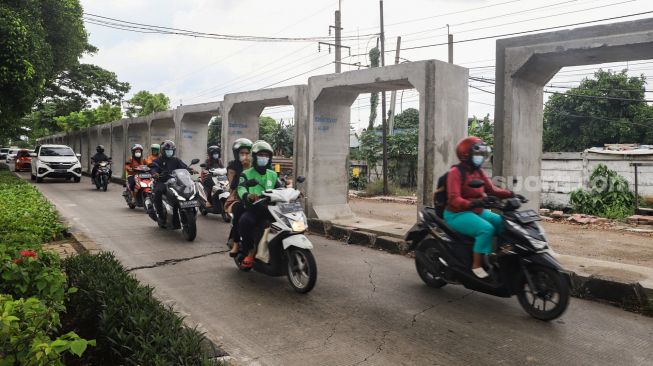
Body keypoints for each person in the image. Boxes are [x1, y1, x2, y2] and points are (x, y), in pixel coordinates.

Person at [444, 136, 514, 279]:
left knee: (504, 223)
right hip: (457, 213)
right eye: (477, 153)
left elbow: (492, 189)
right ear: (466, 154)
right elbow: (453, 198)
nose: (480, 156)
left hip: (476, 211)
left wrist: (511, 194)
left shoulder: (478, 171)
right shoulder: (455, 173)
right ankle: (477, 265)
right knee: (486, 229)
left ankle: (498, 257)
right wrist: (470, 203)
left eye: (481, 153)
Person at [236, 140, 281, 268]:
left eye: (267, 155)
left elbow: (280, 187)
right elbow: (241, 187)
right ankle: (250, 250)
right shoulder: (247, 173)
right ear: (255, 157)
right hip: (253, 208)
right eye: (261, 155)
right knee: (245, 221)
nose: (264, 158)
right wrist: (247, 195)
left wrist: (293, 191)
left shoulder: (272, 174)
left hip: (271, 208)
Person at [150, 140, 195, 226]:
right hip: (162, 181)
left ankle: (188, 207)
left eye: (171, 150)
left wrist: (190, 170)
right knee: (158, 192)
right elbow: (153, 168)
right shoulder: (158, 160)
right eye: (167, 150)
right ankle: (160, 214)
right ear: (163, 151)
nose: (169, 152)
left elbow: (184, 167)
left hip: (175, 181)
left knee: (188, 188)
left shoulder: (176, 160)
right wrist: (155, 173)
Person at [226, 138, 252, 257]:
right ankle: (236, 242)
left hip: (256, 194)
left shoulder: (254, 163)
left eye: (247, 153)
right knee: (239, 211)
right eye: (242, 153)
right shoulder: (233, 166)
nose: (245, 156)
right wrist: (243, 169)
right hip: (237, 196)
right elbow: (233, 185)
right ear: (237, 154)